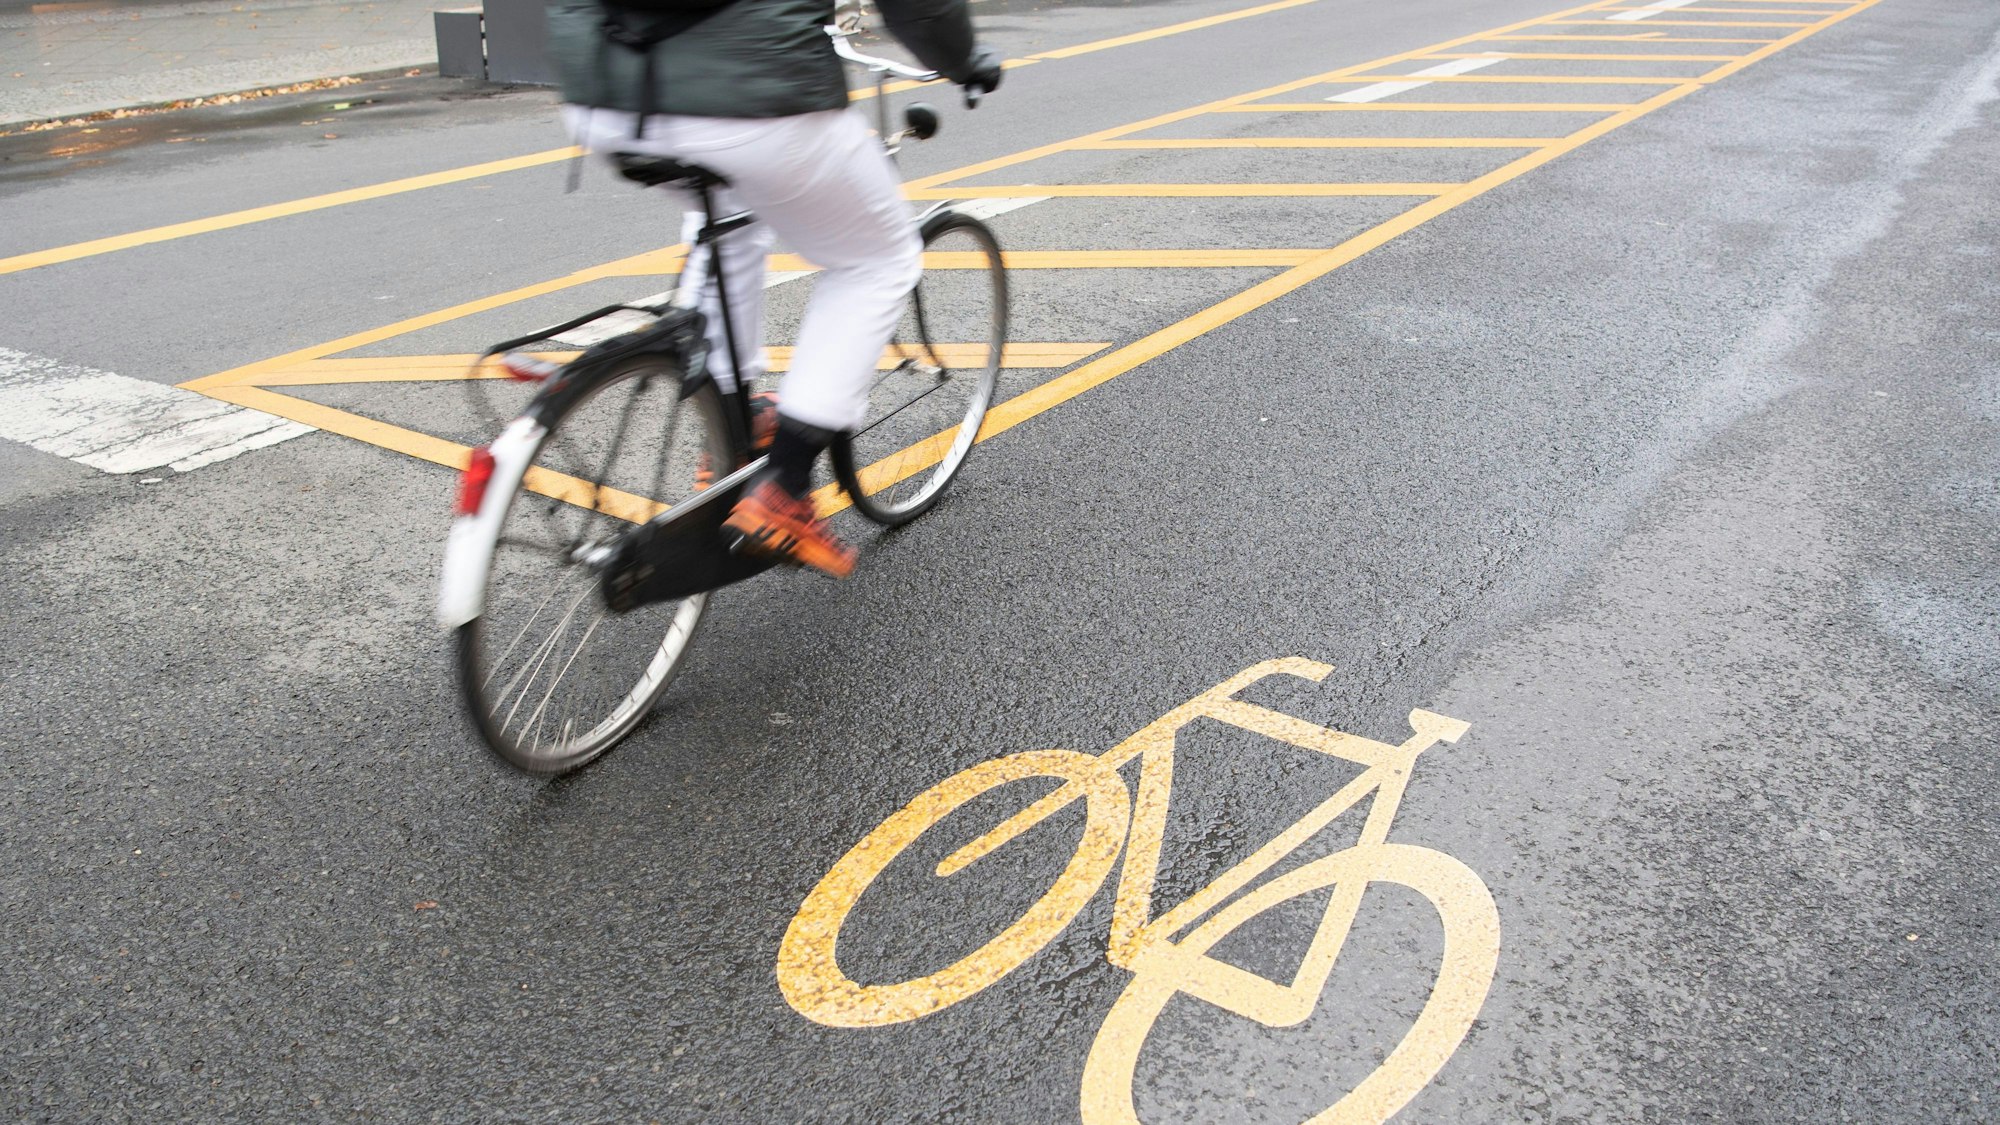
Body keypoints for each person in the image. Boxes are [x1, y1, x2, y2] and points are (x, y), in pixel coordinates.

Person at [545, 0, 1003, 577]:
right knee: (878, 258)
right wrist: (965, 60)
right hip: (750, 90)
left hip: (603, 94)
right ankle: (784, 488)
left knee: (727, 219)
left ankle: (732, 430)